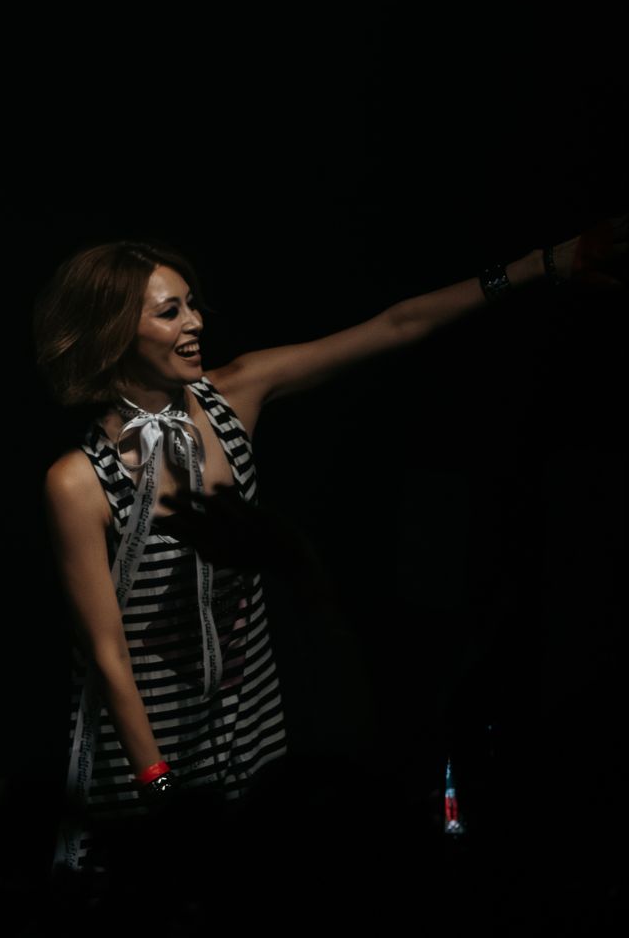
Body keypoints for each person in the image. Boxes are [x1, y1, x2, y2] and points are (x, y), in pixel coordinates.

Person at [35, 223, 624, 872]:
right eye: (170, 311)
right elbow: (106, 654)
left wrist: (542, 263)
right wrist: (160, 787)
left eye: (192, 304)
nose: (195, 322)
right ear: (115, 331)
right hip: (144, 744)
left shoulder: (232, 397)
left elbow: (395, 325)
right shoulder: (78, 482)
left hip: (250, 724)